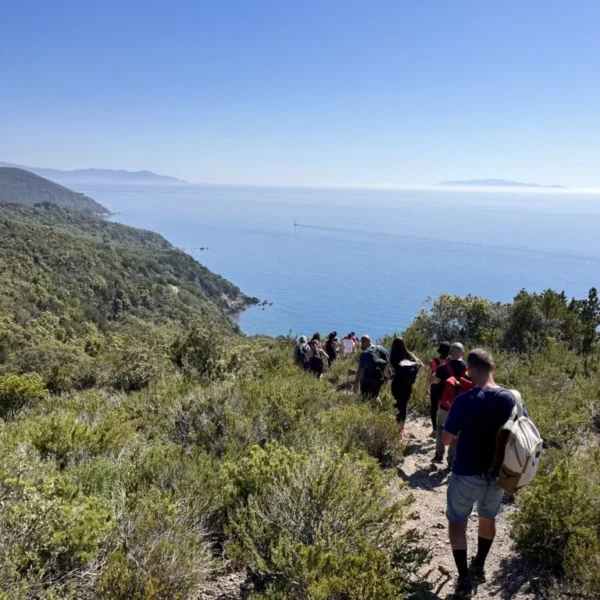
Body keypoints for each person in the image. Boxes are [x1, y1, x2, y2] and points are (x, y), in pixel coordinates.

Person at [442, 348, 520, 598]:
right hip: (498, 474)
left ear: (469, 370)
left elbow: (445, 440)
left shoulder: (464, 400)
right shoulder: (512, 398)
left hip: (466, 472)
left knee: (457, 522)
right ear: (493, 368)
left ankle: (464, 580)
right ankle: (479, 566)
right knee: (488, 518)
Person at [432, 343, 467, 465]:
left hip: (445, 404)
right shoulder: (468, 369)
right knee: (456, 433)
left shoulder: (444, 367)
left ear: (450, 353)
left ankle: (439, 454)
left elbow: (434, 380)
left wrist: (443, 365)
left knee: (440, 428)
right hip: (461, 407)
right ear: (462, 353)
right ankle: (451, 461)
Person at [389, 337, 422, 431]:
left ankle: (395, 425)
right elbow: (421, 366)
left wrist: (391, 376)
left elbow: (386, 372)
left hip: (396, 384)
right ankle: (401, 428)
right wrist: (412, 373)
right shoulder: (410, 355)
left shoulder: (392, 357)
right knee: (403, 405)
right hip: (407, 385)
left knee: (396, 404)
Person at [425, 341, 451, 437]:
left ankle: (435, 430)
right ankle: (446, 430)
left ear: (439, 350)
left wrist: (426, 389)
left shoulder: (433, 361)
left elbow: (428, 378)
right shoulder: (451, 362)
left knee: (434, 408)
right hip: (447, 388)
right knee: (446, 409)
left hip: (435, 388)